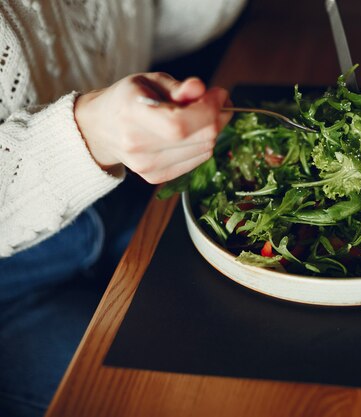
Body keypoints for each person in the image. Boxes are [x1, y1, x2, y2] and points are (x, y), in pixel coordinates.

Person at [0, 1, 248, 416]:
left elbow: (156, 21)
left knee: (250, 339)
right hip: (12, 277)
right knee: (180, 397)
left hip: (117, 189)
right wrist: (88, 132)